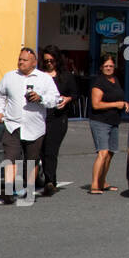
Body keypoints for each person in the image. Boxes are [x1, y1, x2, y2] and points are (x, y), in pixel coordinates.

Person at [0, 47, 59, 204]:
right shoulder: (9, 77)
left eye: (24, 60)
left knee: (32, 160)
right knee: (10, 157)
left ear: (34, 62)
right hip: (12, 125)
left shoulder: (44, 79)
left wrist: (40, 98)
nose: (21, 62)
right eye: (20, 59)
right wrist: (0, 111)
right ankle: (8, 191)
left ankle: (29, 190)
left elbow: (55, 99)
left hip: (34, 127)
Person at [38, 45, 77, 196]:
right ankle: (50, 178)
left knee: (51, 150)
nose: (49, 63)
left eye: (51, 61)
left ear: (57, 60)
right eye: (46, 61)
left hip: (58, 118)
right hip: (41, 117)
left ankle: (50, 181)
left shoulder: (66, 76)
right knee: (41, 150)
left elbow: (75, 94)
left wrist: (67, 99)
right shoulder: (40, 76)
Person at [88, 55, 129, 194]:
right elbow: (96, 104)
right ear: (101, 67)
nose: (109, 68)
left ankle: (102, 182)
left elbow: (118, 97)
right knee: (102, 152)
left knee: (110, 153)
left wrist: (124, 103)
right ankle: (94, 185)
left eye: (111, 66)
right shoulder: (98, 83)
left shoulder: (115, 80)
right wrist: (116, 104)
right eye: (106, 66)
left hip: (114, 121)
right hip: (100, 121)